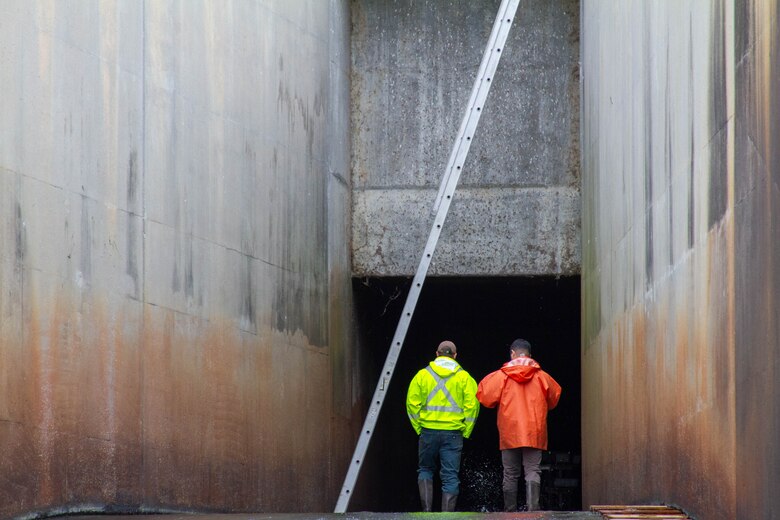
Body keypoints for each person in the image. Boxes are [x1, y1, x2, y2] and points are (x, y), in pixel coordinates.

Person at [476, 338, 561, 512]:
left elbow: (484, 396)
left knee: (510, 473)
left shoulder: (501, 376)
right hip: (534, 432)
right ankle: (532, 511)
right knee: (532, 470)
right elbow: (554, 398)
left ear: (512, 354)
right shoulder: (542, 377)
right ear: (530, 355)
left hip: (510, 432)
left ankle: (510, 512)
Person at [406, 340, 479, 512]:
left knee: (425, 469)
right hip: (453, 434)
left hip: (428, 432)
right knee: (450, 477)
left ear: (437, 354)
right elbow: (473, 406)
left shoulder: (422, 375)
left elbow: (411, 403)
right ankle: (447, 516)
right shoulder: (464, 377)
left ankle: (426, 513)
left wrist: (419, 428)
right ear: (455, 356)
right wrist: (465, 431)